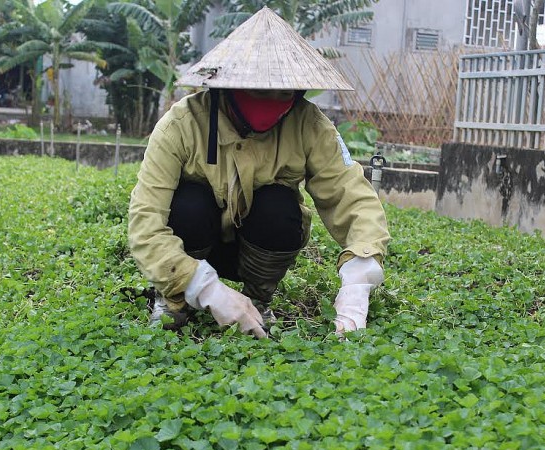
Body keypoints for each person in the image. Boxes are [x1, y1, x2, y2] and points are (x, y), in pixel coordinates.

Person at [128, 7, 390, 339]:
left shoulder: (309, 125)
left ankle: (257, 299)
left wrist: (360, 274)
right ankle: (175, 299)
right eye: (260, 90)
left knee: (279, 206)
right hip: (193, 244)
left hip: (258, 250)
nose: (273, 101)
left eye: (284, 92)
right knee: (189, 204)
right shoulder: (180, 124)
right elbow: (145, 223)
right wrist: (203, 287)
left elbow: (350, 193)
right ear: (228, 86)